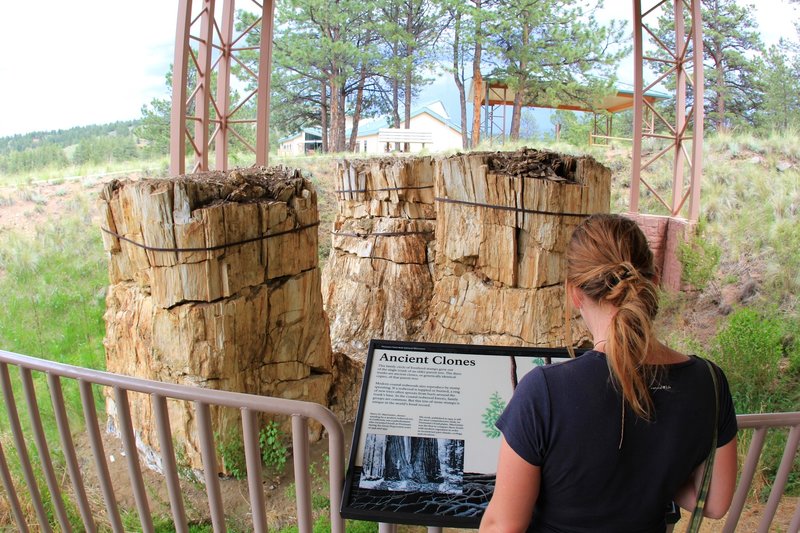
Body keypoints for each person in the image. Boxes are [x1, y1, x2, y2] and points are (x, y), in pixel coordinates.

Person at [479, 214, 738, 533]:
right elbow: (714, 501)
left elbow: (503, 526)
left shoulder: (544, 392)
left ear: (574, 293)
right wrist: (653, 470)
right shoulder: (709, 383)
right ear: (652, 282)